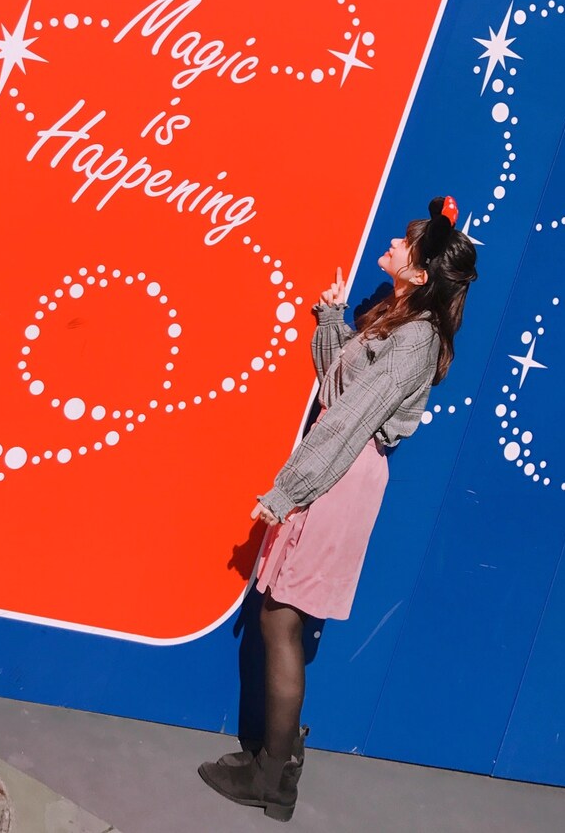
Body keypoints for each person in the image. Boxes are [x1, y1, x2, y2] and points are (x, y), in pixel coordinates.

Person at [198, 196, 478, 822]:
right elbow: (337, 387)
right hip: (336, 463)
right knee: (280, 613)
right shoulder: (401, 321)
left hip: (340, 472)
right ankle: (277, 758)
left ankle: (273, 776)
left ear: (419, 272)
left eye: (406, 243)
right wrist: (331, 319)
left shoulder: (416, 338)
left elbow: (349, 422)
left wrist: (288, 491)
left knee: (281, 616)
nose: (394, 244)